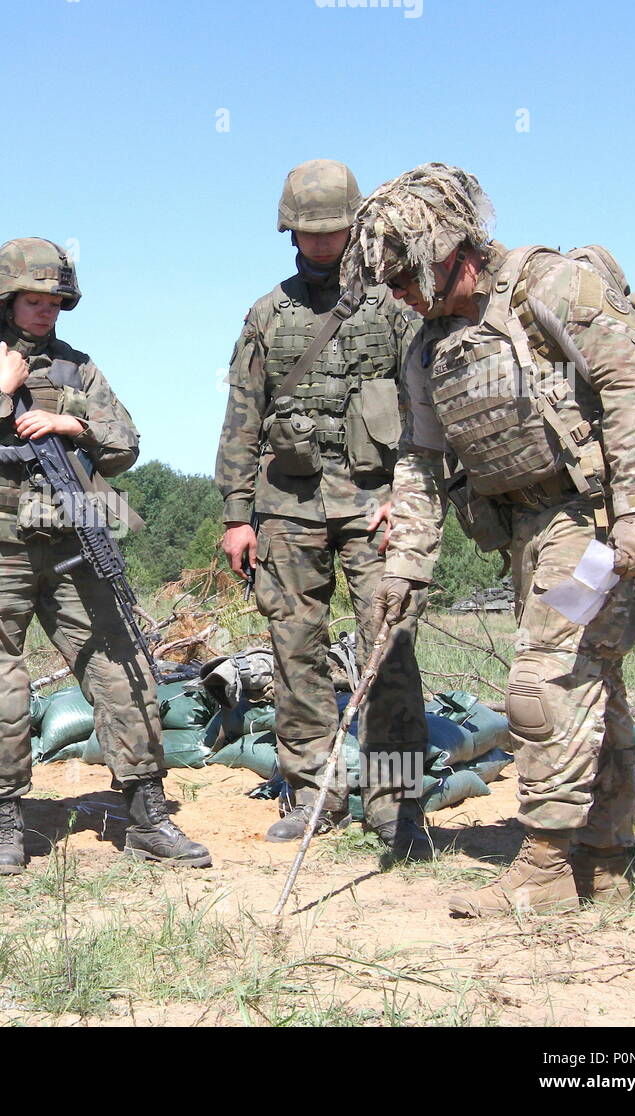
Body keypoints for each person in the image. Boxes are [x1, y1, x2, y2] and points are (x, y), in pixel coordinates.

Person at [345, 162, 635, 916]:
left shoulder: (551, 289)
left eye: (403, 276)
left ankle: (544, 868)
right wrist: (405, 565)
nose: (396, 293)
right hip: (523, 528)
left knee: (541, 681)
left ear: (446, 248)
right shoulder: (427, 350)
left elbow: (631, 387)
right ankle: (604, 859)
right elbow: (421, 461)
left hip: (590, 519)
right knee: (596, 685)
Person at [0, 238, 211, 873]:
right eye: (32, 300)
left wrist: (71, 426)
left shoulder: (81, 369)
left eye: (54, 301)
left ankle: (146, 811)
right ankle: (5, 822)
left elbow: (125, 443)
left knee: (121, 667)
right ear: (5, 299)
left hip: (75, 537)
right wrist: (1, 391)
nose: (45, 311)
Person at [215, 160, 431, 859]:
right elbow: (240, 419)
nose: (320, 243)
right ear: (289, 232)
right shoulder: (265, 316)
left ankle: (397, 806)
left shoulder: (395, 309)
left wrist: (410, 497)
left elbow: (428, 410)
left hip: (376, 506)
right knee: (294, 653)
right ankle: (312, 795)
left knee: (388, 652)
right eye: (307, 232)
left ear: (355, 226)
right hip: (287, 507)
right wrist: (237, 515)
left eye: (332, 230)